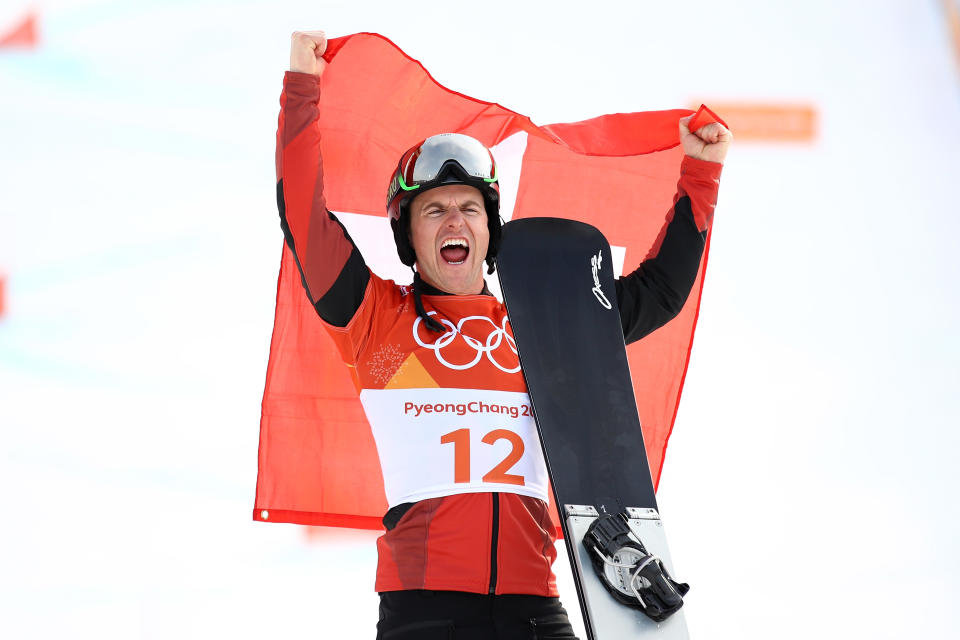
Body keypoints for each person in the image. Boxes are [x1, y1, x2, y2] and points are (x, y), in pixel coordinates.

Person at [278, 30, 731, 640]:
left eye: (469, 207)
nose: (454, 221)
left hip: (534, 611)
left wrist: (701, 173)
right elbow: (305, 215)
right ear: (409, 238)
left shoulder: (548, 324)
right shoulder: (377, 324)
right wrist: (301, 85)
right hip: (424, 615)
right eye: (433, 211)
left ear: (491, 231)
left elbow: (658, 295)